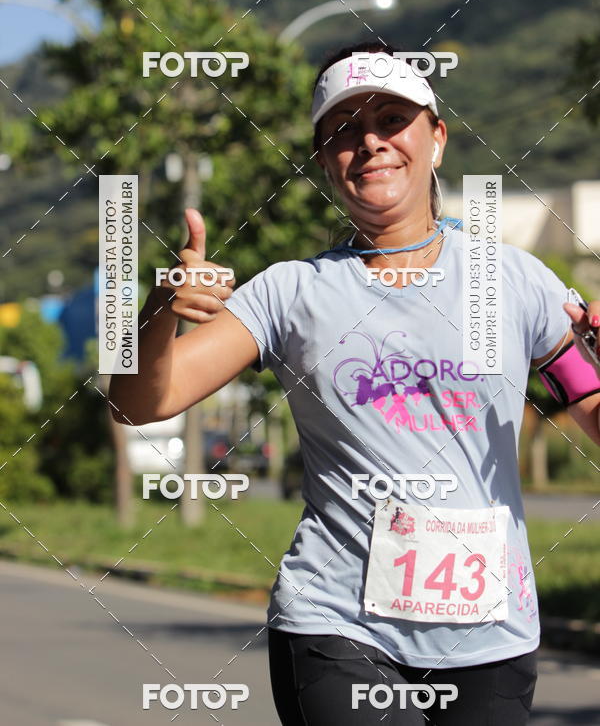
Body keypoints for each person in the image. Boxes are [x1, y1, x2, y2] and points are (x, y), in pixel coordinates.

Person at [109, 40, 600, 725]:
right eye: (343, 129)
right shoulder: (290, 293)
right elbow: (137, 402)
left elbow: (590, 411)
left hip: (491, 631)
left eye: (393, 118)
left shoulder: (513, 281)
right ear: (323, 161)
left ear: (437, 139)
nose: (370, 141)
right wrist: (162, 307)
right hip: (337, 625)